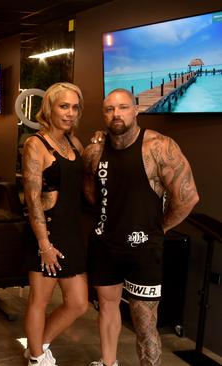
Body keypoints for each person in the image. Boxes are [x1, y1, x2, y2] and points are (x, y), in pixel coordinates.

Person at [83, 88, 199, 366]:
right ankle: (108, 363)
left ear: (136, 110)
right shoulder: (94, 151)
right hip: (106, 245)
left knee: (145, 324)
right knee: (108, 308)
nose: (116, 114)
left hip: (144, 250)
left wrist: (160, 228)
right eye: (109, 109)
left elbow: (188, 197)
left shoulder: (159, 147)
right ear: (103, 115)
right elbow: (89, 191)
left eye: (123, 108)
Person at [22, 82, 90, 366]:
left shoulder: (75, 142)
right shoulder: (35, 144)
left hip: (73, 231)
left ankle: (37, 346)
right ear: (49, 108)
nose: (70, 113)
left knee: (78, 303)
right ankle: (37, 358)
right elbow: (32, 199)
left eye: (75, 107)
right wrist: (44, 244)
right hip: (47, 232)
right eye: (64, 106)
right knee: (40, 300)